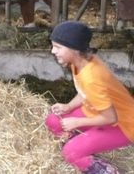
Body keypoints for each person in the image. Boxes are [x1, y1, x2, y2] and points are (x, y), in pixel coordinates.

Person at [45, 21, 134, 174]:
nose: (53, 51)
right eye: (53, 46)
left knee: (70, 153)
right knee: (53, 120)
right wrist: (69, 107)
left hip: (123, 124)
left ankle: (106, 170)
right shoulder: (78, 62)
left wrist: (77, 122)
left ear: (75, 48)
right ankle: (82, 144)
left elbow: (111, 118)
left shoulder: (92, 77)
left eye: (58, 47)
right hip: (96, 112)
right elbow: (84, 92)